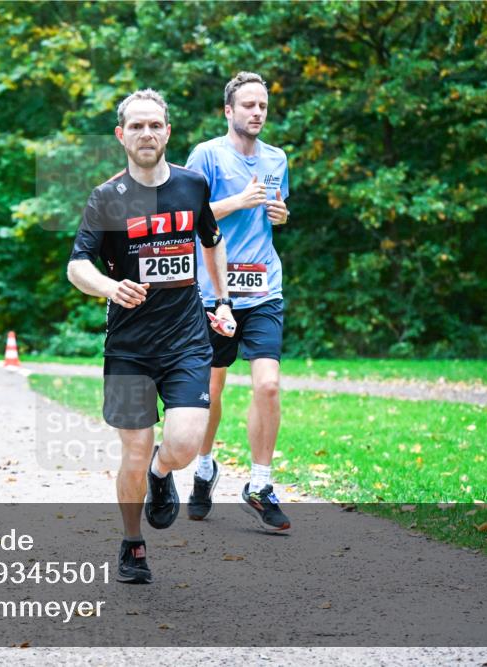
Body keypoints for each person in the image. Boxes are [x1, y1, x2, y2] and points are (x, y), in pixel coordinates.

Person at [67, 89, 235, 584]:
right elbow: (77, 265)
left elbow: (211, 241)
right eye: (136, 126)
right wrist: (109, 286)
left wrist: (221, 300)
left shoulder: (193, 186)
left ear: (167, 132)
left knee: (182, 445)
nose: (146, 133)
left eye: (154, 125)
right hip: (128, 347)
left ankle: (164, 477)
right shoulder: (107, 197)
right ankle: (131, 542)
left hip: (185, 338)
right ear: (121, 136)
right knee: (135, 450)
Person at [184, 72, 292, 532]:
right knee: (211, 390)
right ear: (229, 111)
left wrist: (280, 213)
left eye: (263, 106)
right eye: (248, 105)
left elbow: (275, 213)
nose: (257, 113)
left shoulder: (277, 158)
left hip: (264, 285)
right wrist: (238, 200)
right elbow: (186, 216)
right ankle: (205, 467)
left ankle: (261, 483)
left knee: (267, 385)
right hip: (213, 290)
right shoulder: (207, 155)